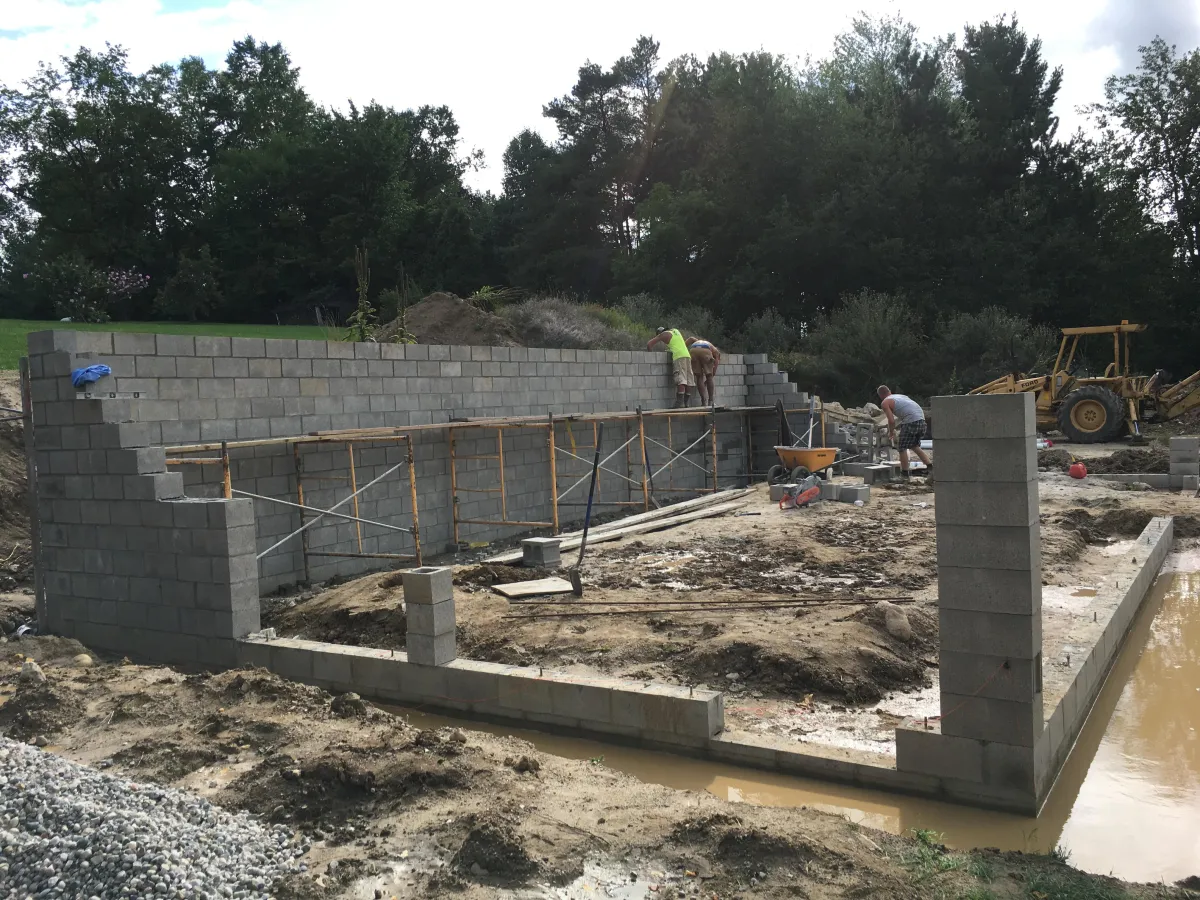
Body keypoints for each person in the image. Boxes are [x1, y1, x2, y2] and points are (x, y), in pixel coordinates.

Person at [877, 385, 933, 476]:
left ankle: (904, 474)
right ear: (889, 391)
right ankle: (930, 467)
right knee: (914, 445)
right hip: (922, 421)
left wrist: (891, 432)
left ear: (880, 396)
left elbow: (891, 421)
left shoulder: (885, 402)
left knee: (902, 447)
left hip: (911, 422)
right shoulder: (901, 396)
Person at [647, 326, 695, 408]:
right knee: (688, 379)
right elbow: (678, 345)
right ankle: (686, 403)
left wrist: (650, 355)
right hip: (687, 355)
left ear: (659, 333)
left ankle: (679, 403)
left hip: (679, 357)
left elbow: (649, 344)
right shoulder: (676, 331)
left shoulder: (663, 334)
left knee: (681, 378)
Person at [686, 336, 722, 406]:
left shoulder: (701, 342)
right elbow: (714, 370)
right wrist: (710, 377)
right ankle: (711, 401)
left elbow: (691, 339)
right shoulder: (716, 352)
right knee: (709, 376)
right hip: (705, 350)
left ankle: (703, 401)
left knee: (699, 377)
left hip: (693, 350)